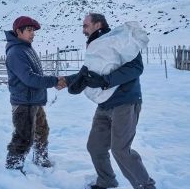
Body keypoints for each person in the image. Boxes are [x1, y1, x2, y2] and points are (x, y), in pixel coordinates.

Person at [65, 13, 156, 189]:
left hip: (125, 101)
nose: (83, 29)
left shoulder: (119, 39)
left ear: (98, 24)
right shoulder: (94, 45)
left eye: (85, 25)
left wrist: (106, 80)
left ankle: (145, 185)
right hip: (104, 104)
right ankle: (106, 180)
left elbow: (136, 67)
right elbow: (89, 72)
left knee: (121, 150)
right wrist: (68, 81)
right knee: (95, 147)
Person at [4, 16, 66, 173]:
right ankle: (13, 169)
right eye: (29, 30)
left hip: (34, 101)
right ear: (18, 31)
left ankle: (41, 159)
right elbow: (29, 78)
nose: (33, 34)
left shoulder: (26, 48)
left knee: (42, 131)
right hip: (24, 103)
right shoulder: (16, 52)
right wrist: (54, 81)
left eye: (34, 31)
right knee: (23, 137)